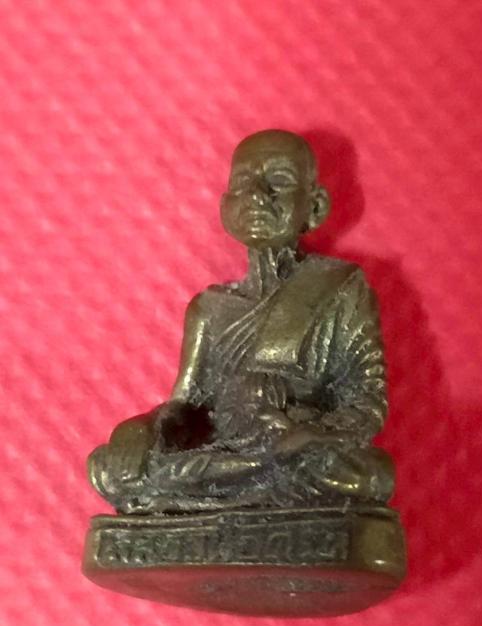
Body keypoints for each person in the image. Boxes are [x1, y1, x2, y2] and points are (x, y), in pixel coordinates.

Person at [88, 130, 394, 513]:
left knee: (365, 475)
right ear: (225, 207)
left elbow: (367, 398)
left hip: (301, 445)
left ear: (315, 207)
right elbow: (186, 405)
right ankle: (222, 493)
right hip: (228, 450)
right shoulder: (209, 308)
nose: (256, 195)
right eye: (242, 184)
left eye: (278, 182)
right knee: (108, 470)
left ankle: (184, 502)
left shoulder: (340, 286)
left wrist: (312, 434)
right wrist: (140, 429)